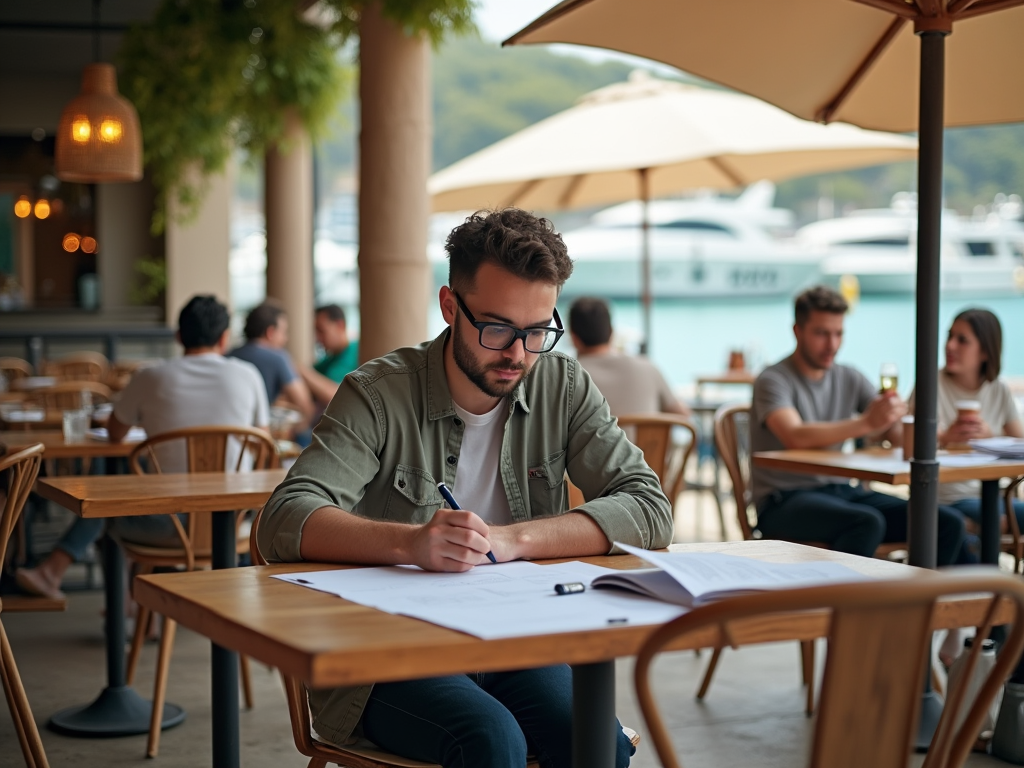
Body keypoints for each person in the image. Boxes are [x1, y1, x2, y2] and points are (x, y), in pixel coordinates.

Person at [259, 208, 670, 768]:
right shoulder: (377, 394)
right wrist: (408, 544)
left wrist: (516, 540)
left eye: (537, 331)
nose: (518, 354)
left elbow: (648, 504)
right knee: (490, 740)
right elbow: (284, 519)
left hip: (516, 637)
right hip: (387, 651)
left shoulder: (562, 385)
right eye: (498, 328)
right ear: (450, 307)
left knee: (597, 740)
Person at [16, 295, 270, 600]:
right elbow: (261, 443)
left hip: (165, 523)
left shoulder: (151, 376)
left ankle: (100, 597)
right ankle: (141, 612)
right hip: (234, 523)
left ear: (178, 336)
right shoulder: (248, 375)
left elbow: (114, 433)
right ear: (225, 337)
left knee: (103, 508)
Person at [750, 285, 964, 564]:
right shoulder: (773, 379)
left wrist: (941, 435)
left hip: (842, 492)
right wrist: (866, 423)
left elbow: (895, 432)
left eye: (838, 333)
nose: (832, 344)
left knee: (944, 521)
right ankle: (841, 606)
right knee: (866, 522)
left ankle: (917, 604)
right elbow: (794, 435)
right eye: (821, 333)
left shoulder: (849, 376)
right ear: (797, 331)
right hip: (784, 500)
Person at [908, 308, 1024, 527]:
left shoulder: (998, 389)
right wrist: (945, 437)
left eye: (962, 340)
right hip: (946, 499)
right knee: (982, 521)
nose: (950, 346)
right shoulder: (930, 384)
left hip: (991, 494)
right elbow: (909, 443)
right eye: (950, 336)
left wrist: (991, 439)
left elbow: (1020, 445)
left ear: (985, 352)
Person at [569, 296, 689, 417]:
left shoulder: (568, 377)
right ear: (612, 333)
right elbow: (682, 414)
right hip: (646, 437)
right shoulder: (646, 367)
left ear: (573, 338)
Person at [229, 300, 314, 421]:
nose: (286, 339)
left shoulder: (229, 355)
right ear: (270, 332)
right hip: (262, 433)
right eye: (283, 332)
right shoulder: (278, 358)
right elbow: (305, 406)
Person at [300, 304, 360, 406]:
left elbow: (334, 395)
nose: (318, 339)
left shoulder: (356, 352)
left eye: (321, 331)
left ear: (340, 325)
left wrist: (299, 370)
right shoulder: (330, 358)